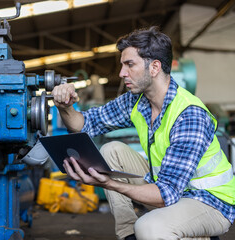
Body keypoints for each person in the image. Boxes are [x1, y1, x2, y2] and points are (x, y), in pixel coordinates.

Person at [51, 26, 235, 240]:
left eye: (129, 64)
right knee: (111, 150)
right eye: (122, 65)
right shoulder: (136, 100)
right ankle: (128, 235)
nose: (121, 73)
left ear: (155, 67)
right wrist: (65, 107)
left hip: (209, 201)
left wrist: (107, 183)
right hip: (170, 190)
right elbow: (84, 125)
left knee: (149, 228)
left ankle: (193, 233)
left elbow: (165, 195)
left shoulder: (189, 115)